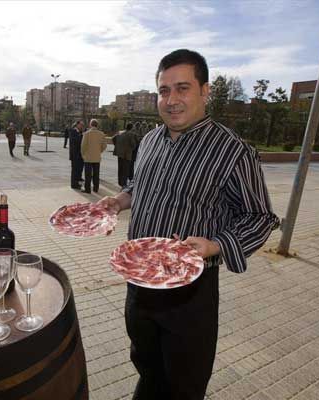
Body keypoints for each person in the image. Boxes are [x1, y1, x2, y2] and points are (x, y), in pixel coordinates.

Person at [97, 49, 279, 400]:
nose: (171, 100)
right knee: (147, 370)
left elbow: (261, 218)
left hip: (189, 295)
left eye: (182, 88)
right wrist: (119, 201)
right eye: (164, 91)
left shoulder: (233, 151)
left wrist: (216, 244)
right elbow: (140, 184)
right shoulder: (150, 140)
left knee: (184, 385)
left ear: (205, 91)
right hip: (139, 286)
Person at [81, 119, 107, 193]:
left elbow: (83, 146)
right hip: (97, 157)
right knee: (96, 174)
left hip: (88, 157)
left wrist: (83, 155)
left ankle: (87, 189)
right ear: (97, 125)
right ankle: (96, 188)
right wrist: (99, 151)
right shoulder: (101, 134)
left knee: (88, 175)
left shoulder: (86, 134)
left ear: (90, 124)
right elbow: (104, 146)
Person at [112, 123, 138, 187]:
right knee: (125, 169)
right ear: (131, 128)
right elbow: (133, 144)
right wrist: (132, 148)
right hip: (127, 154)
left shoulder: (120, 133)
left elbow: (113, 138)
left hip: (119, 153)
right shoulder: (131, 134)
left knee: (120, 168)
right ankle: (124, 183)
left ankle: (120, 182)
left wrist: (117, 146)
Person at [69, 120, 85, 189]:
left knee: (79, 170)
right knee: (75, 170)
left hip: (81, 155)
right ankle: (74, 184)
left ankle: (78, 182)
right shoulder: (73, 131)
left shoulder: (81, 132)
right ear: (77, 125)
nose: (82, 126)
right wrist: (82, 136)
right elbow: (75, 141)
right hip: (75, 155)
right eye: (81, 125)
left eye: (83, 125)